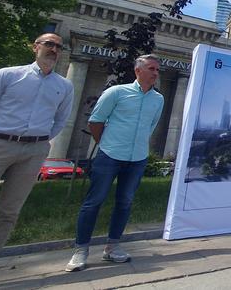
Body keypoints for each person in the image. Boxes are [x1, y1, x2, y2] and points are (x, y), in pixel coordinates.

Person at [66, 55, 164, 272]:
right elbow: (96, 121)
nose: (155, 73)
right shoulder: (116, 92)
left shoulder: (158, 99)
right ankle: (80, 250)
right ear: (138, 71)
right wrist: (106, 143)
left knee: (125, 203)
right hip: (109, 155)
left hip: (137, 158)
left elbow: (151, 125)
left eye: (157, 69)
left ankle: (112, 248)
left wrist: (137, 145)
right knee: (94, 201)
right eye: (151, 68)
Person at [0, 33, 73, 264]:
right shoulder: (8, 75)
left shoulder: (64, 86)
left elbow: (60, 120)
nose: (54, 49)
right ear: (35, 47)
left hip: (34, 151)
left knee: (9, 211)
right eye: (49, 44)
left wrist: (39, 140)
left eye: (58, 46)